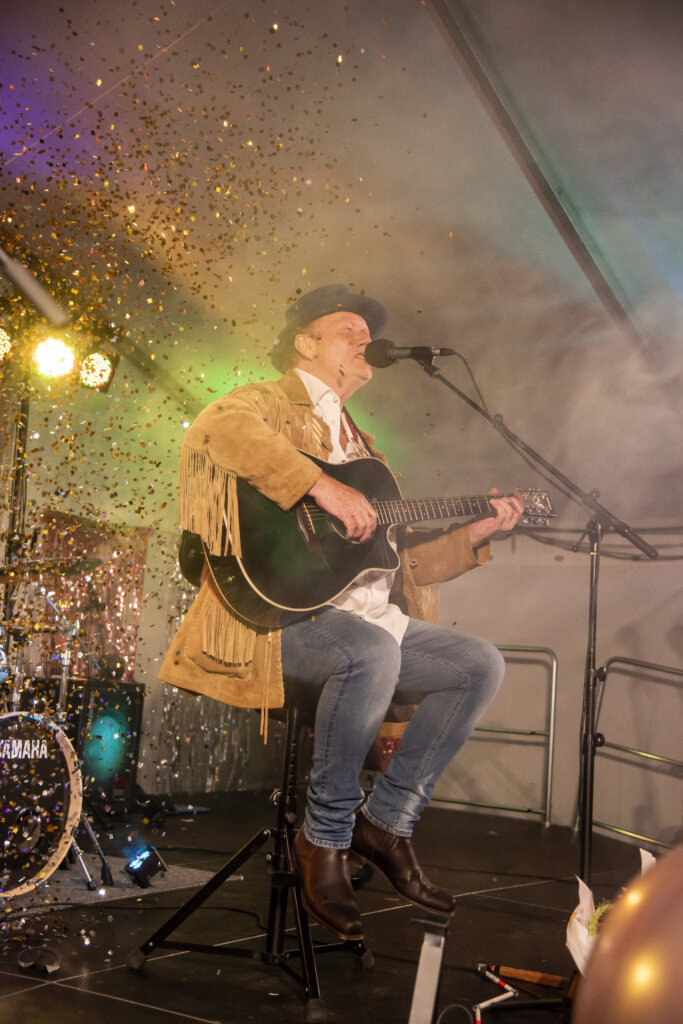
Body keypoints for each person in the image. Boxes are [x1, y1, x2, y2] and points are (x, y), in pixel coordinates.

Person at [159, 284, 524, 941]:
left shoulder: (365, 446)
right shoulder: (268, 401)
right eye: (346, 329)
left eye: (365, 332)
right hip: (275, 621)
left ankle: (385, 824)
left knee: (477, 663)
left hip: (361, 620)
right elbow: (218, 430)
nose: (362, 339)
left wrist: (474, 534)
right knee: (370, 651)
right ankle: (323, 838)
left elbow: (389, 561)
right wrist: (319, 486)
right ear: (304, 343)